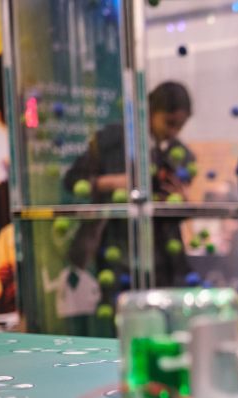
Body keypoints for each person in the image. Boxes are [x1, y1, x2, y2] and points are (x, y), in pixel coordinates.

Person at [62, 81, 195, 324]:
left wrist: (181, 202)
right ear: (151, 112)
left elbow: (174, 211)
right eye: (169, 123)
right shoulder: (112, 141)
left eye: (180, 125)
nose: (174, 132)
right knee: (126, 327)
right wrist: (114, 182)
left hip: (163, 262)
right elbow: (72, 179)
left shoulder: (178, 154)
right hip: (117, 254)